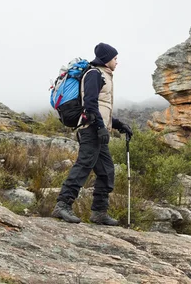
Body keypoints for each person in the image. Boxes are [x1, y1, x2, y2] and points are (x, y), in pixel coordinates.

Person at [52, 42, 133, 225]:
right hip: (91, 129)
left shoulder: (104, 76)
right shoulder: (94, 74)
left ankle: (99, 212)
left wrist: (119, 125)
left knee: (106, 171)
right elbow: (90, 104)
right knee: (84, 165)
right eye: (115, 58)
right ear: (106, 60)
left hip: (98, 129)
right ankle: (62, 205)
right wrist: (100, 127)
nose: (117, 62)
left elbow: (103, 107)